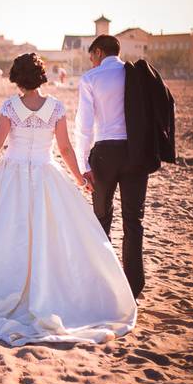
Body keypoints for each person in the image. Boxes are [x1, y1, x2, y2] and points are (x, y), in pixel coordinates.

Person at [0, 53, 136, 346]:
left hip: (13, 177)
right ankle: (47, 289)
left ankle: (12, 288)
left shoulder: (11, 107)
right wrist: (79, 178)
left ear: (16, 78)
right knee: (49, 233)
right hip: (46, 175)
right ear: (41, 77)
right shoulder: (55, 108)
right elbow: (65, 149)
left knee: (11, 233)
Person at [75, 35, 148, 299]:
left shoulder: (91, 79)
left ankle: (101, 283)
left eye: (91, 55)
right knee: (133, 220)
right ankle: (132, 288)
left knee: (101, 218)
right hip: (136, 153)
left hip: (105, 153)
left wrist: (83, 163)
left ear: (98, 51)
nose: (91, 61)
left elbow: (83, 126)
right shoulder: (137, 74)